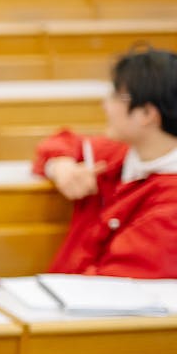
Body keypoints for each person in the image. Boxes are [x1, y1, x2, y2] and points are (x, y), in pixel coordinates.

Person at [33, 46, 177, 278]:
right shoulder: (120, 154)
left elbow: (117, 283)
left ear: (147, 114)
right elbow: (59, 143)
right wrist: (61, 167)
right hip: (65, 294)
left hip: (91, 304)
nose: (105, 104)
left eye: (114, 95)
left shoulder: (170, 203)